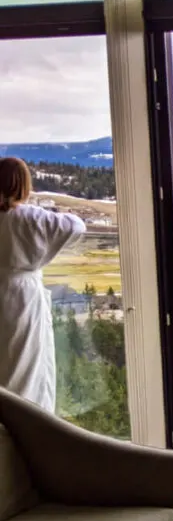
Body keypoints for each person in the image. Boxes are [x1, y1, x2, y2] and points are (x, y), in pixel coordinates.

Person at [0, 157, 86, 412]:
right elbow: (76, 226)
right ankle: (28, 426)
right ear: (24, 186)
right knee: (26, 364)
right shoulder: (30, 218)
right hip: (21, 298)